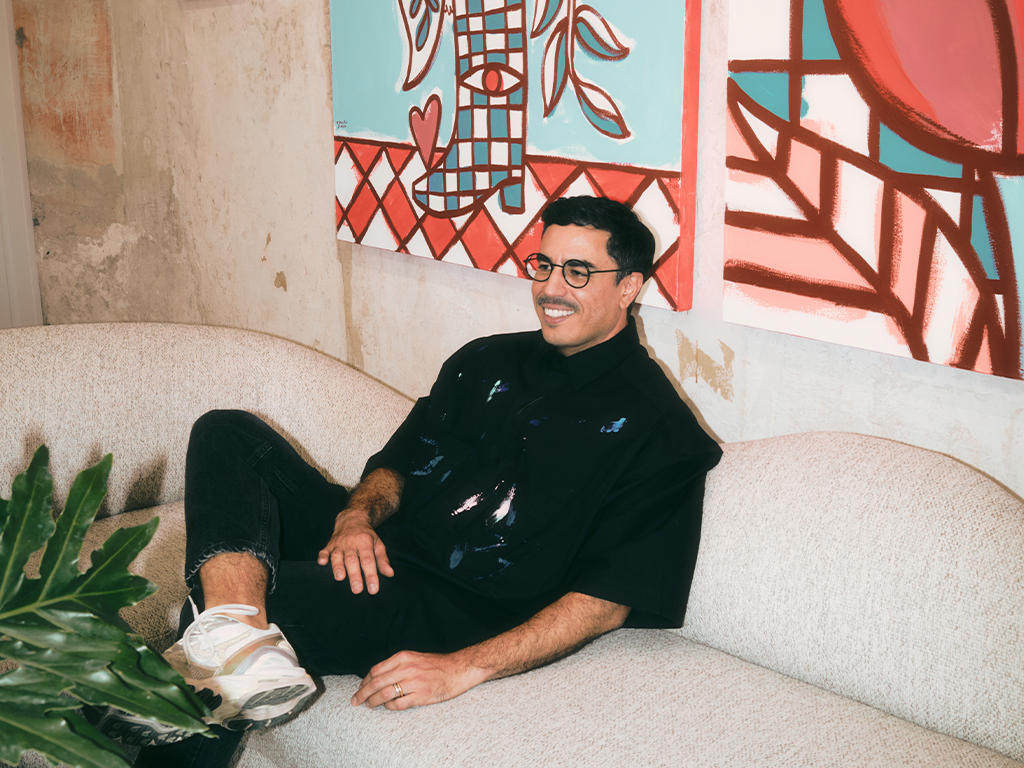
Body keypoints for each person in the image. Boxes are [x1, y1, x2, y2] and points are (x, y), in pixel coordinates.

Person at [106, 196, 722, 766]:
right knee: (228, 431)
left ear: (630, 286)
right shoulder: (487, 359)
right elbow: (397, 463)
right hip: (383, 543)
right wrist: (356, 517)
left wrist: (463, 668)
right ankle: (233, 627)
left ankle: (224, 637)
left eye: (578, 273)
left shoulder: (660, 431)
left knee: (266, 609)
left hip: (450, 602)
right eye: (544, 265)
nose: (550, 289)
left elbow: (607, 601)